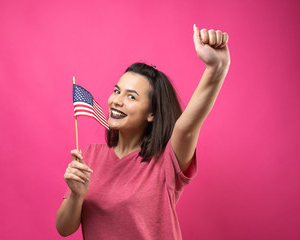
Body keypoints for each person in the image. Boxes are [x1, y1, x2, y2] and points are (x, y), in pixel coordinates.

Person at [56, 24, 230, 239]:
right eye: (117, 91)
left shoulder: (166, 161)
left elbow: (186, 128)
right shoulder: (90, 155)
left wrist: (216, 69)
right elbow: (64, 229)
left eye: (131, 96)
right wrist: (76, 195)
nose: (116, 101)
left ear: (151, 113)